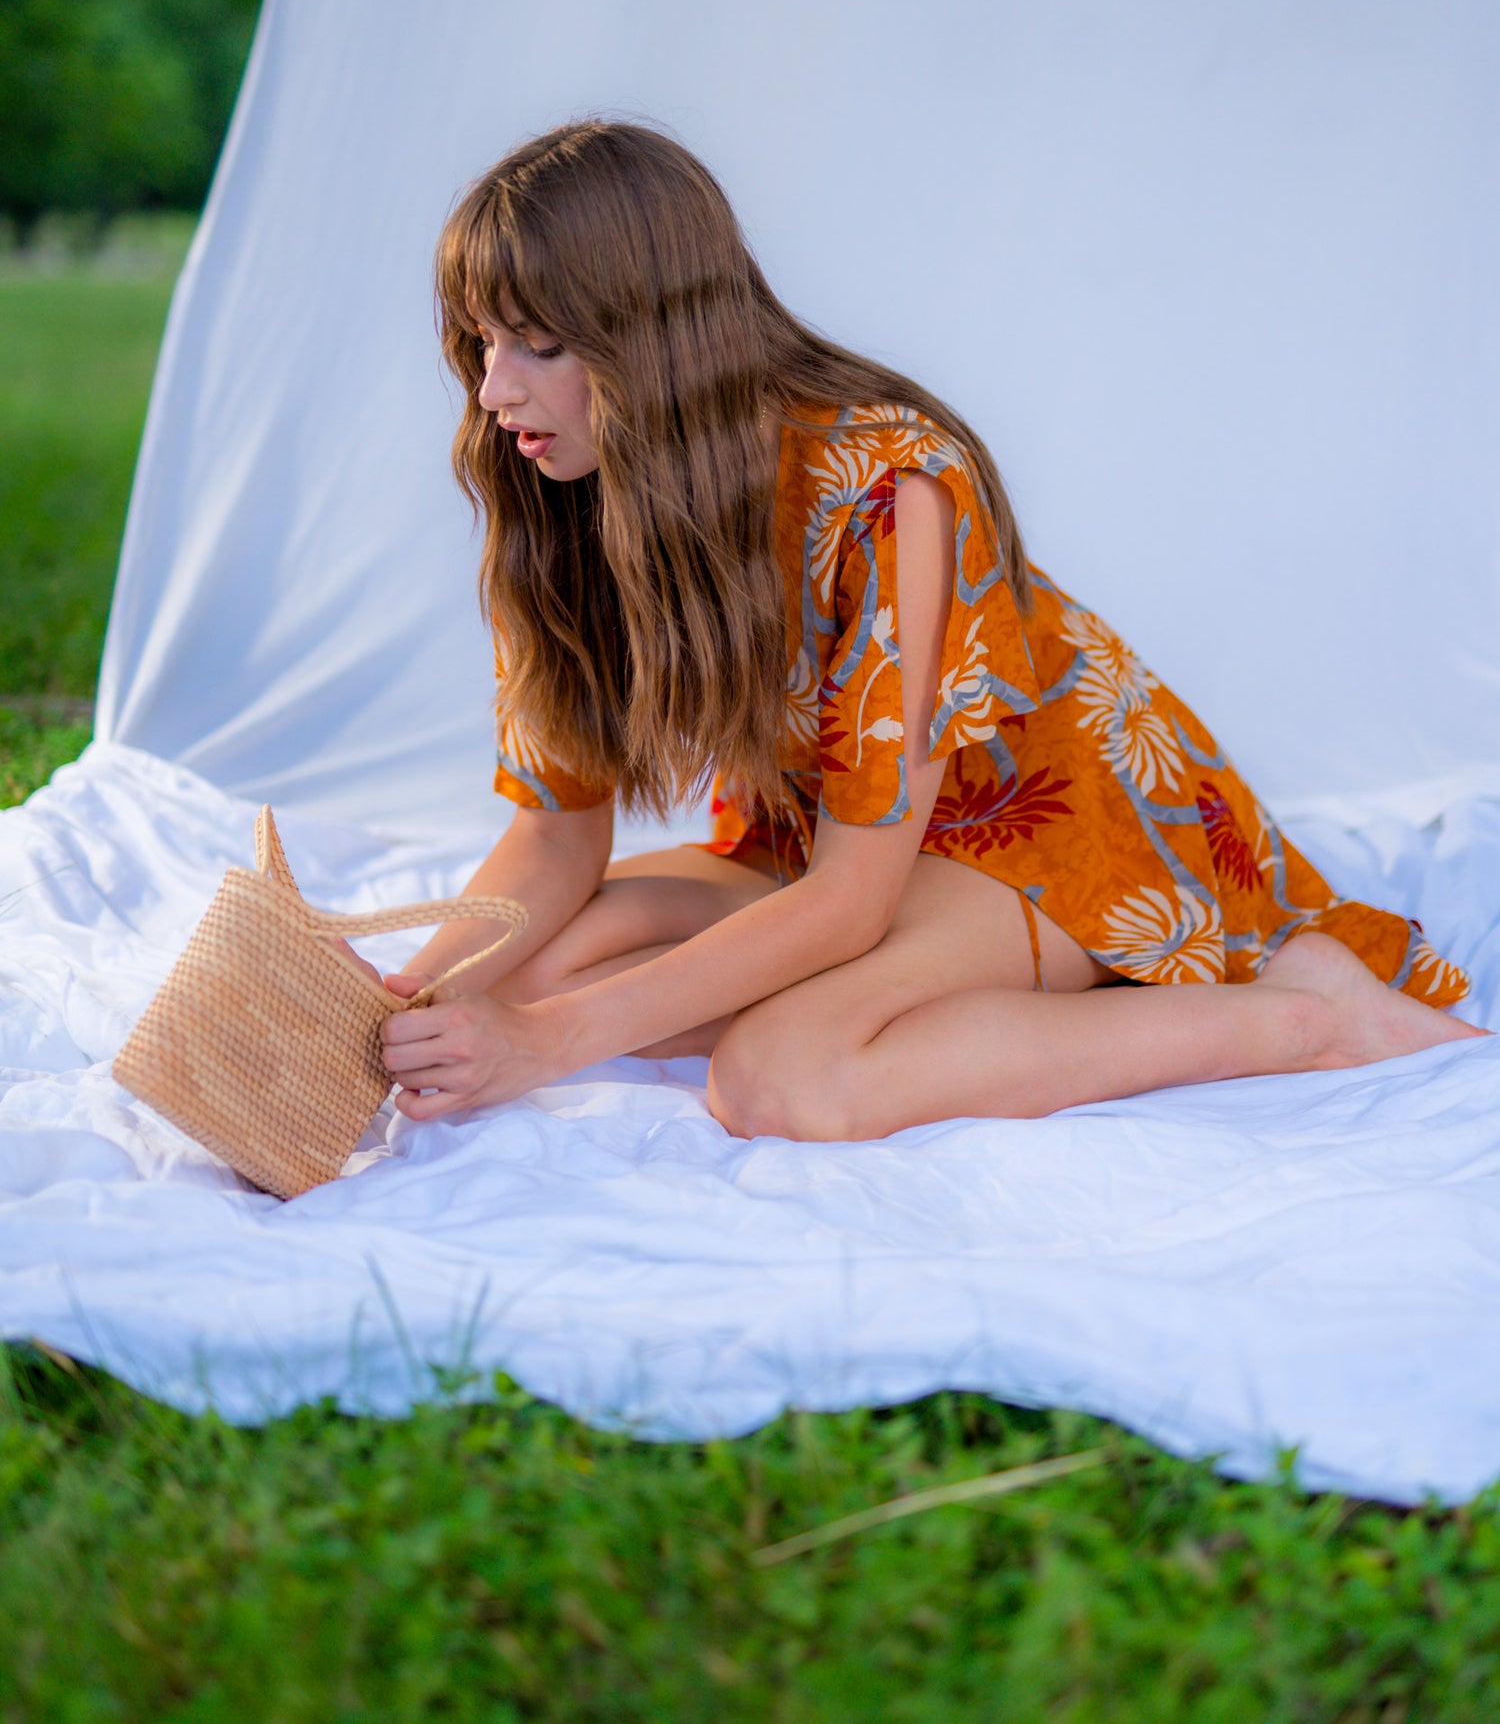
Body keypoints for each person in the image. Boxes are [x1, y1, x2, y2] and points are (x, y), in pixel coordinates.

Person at [372, 120, 1482, 1139]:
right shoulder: (563, 496)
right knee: (546, 965)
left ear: (650, 338)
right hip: (824, 842)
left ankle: (1300, 1018)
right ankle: (914, 996)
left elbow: (852, 901)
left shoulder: (891, 486)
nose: (491, 389)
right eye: (480, 343)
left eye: (539, 347)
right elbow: (558, 839)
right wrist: (413, 1001)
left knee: (780, 1078)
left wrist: (545, 1049)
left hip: (1037, 836)